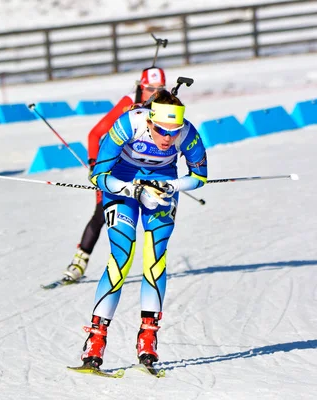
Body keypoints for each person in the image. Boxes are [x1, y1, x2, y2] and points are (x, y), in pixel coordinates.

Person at [79, 88, 208, 370]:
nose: (168, 138)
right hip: (122, 185)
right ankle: (96, 340)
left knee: (155, 258)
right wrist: (132, 189)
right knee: (121, 258)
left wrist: (171, 186)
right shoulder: (129, 123)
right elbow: (98, 175)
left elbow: (199, 177)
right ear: (150, 122)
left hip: (162, 186)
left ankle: (148, 337)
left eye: (174, 132)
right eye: (162, 131)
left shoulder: (188, 133)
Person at [64, 67, 167, 282]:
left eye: (160, 89)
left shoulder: (164, 105)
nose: (155, 93)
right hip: (113, 166)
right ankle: (78, 262)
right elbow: (94, 135)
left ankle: (152, 265)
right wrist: (94, 165)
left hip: (141, 167)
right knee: (102, 213)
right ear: (141, 86)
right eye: (150, 88)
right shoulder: (127, 102)